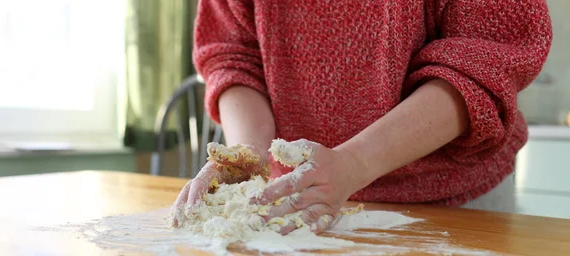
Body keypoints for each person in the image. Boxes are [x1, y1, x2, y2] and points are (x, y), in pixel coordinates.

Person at [171, 0, 552, 233]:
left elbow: (484, 58)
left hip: (453, 205)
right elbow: (234, 54)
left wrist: (354, 163)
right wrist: (245, 156)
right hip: (302, 202)